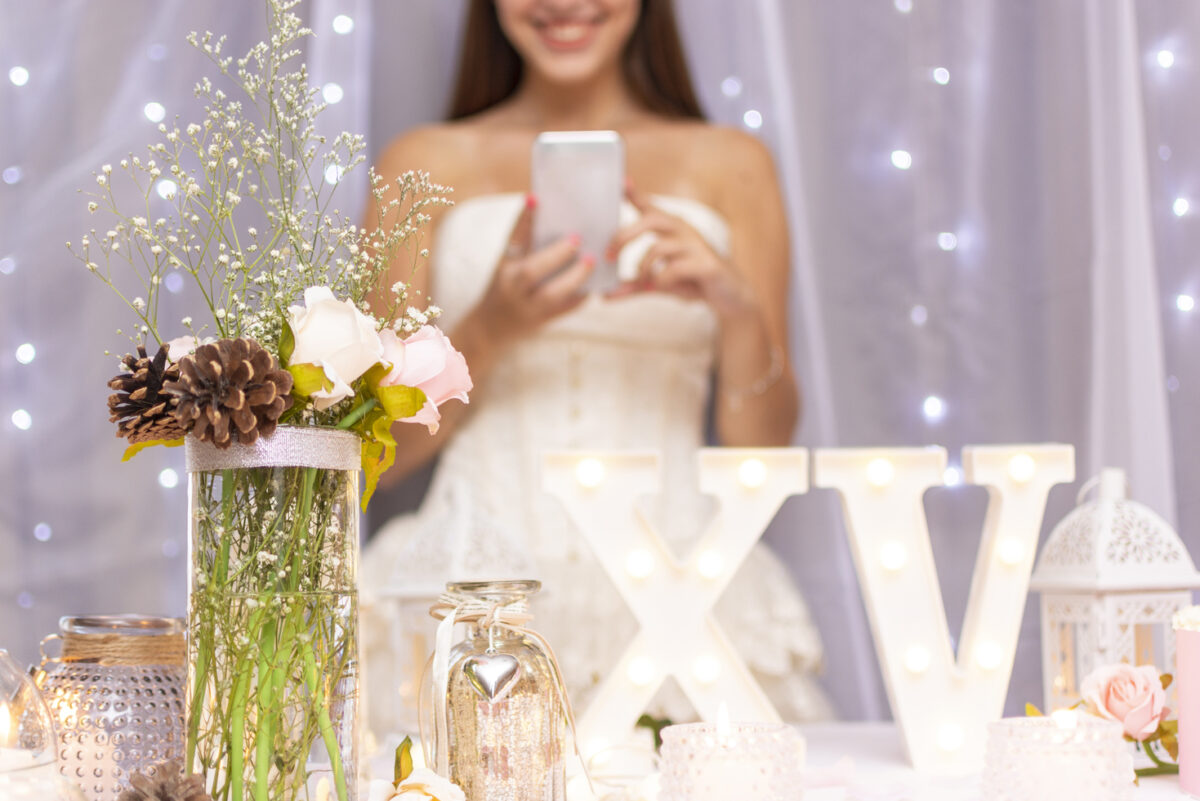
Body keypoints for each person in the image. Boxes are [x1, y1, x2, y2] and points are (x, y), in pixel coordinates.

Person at [360, 0, 829, 738]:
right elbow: (378, 453)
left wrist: (736, 309)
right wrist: (490, 328)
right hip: (472, 593)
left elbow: (763, 452)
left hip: (685, 587)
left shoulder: (734, 164)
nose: (564, 5)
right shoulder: (420, 162)